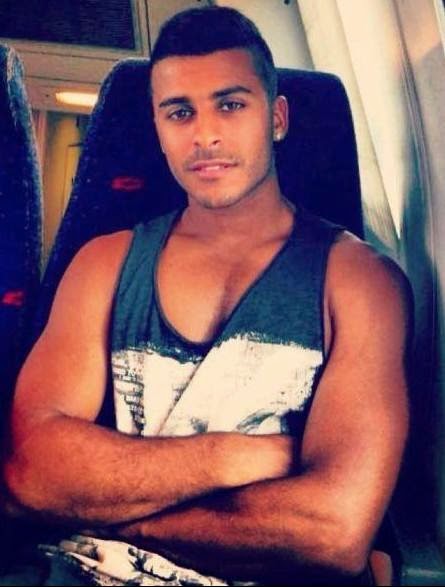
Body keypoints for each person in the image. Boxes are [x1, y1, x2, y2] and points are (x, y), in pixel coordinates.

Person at [2, 6, 411, 586]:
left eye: (231, 105)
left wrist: (117, 516)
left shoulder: (360, 283)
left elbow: (333, 531)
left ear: (276, 118)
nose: (205, 134)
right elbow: (31, 475)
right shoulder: (104, 264)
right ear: (158, 128)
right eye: (179, 112)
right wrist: (239, 456)